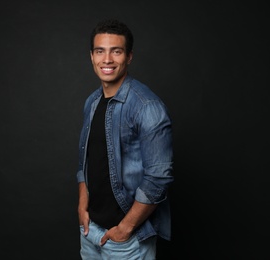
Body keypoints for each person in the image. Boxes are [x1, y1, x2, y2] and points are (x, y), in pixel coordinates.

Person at [76, 19, 174, 259]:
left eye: (116, 51)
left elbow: (158, 179)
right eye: (100, 51)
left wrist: (126, 228)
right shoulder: (92, 101)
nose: (107, 59)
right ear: (91, 56)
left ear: (129, 57)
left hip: (126, 241)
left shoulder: (147, 107)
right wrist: (82, 205)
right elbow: (85, 160)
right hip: (90, 232)